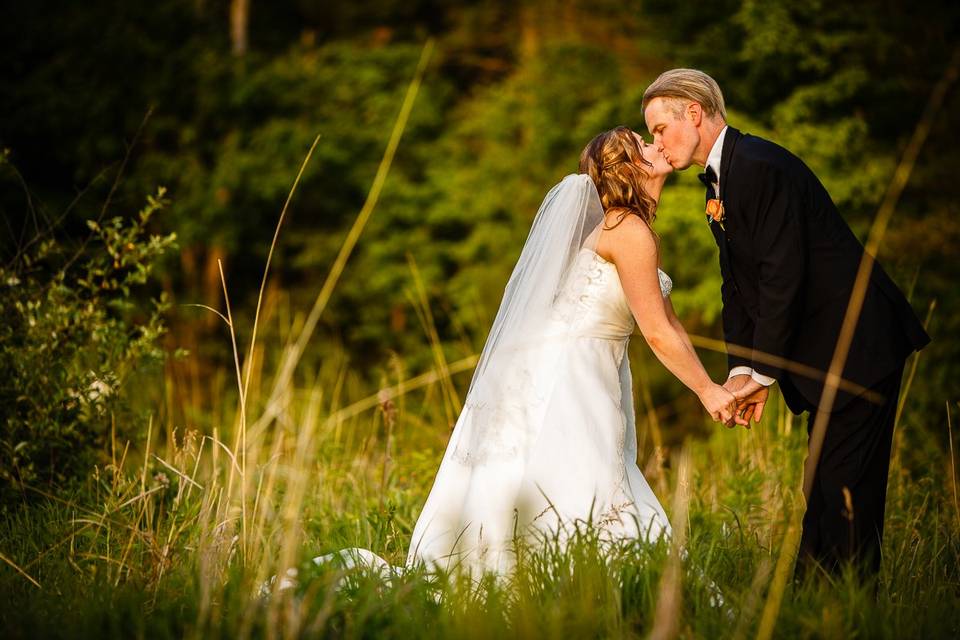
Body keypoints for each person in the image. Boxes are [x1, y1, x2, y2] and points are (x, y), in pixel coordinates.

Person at [270, 127, 737, 590]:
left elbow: (669, 325)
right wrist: (707, 393)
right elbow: (656, 333)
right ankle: (570, 587)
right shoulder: (628, 230)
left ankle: (562, 582)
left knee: (580, 475)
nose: (657, 145)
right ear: (631, 169)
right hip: (574, 375)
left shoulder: (629, 229)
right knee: (580, 476)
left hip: (584, 366)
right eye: (644, 143)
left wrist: (725, 383)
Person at [642, 69, 930, 580]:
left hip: (857, 344)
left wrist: (764, 374)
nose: (655, 142)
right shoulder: (719, 180)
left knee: (845, 490)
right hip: (821, 352)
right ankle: (814, 602)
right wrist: (741, 369)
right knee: (820, 485)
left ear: (694, 112)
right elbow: (737, 286)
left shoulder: (758, 166)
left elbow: (782, 275)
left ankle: (848, 610)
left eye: (660, 128)